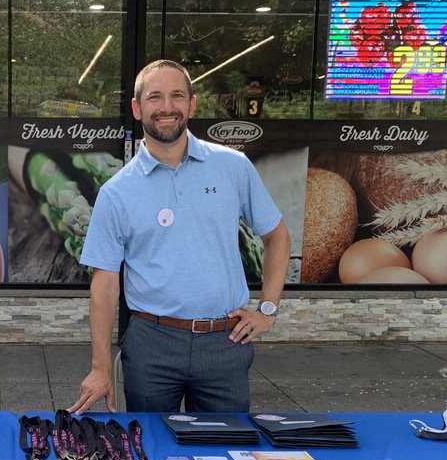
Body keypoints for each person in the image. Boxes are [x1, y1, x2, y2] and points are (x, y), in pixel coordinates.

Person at [70, 59, 292, 415]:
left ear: (192, 104)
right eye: (155, 97)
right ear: (137, 107)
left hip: (226, 340)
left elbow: (277, 236)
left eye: (177, 96)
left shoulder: (233, 167)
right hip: (152, 344)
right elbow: (105, 283)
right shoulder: (117, 191)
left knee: (226, 452)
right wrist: (100, 367)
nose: (167, 107)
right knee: (153, 454)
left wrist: (268, 309)